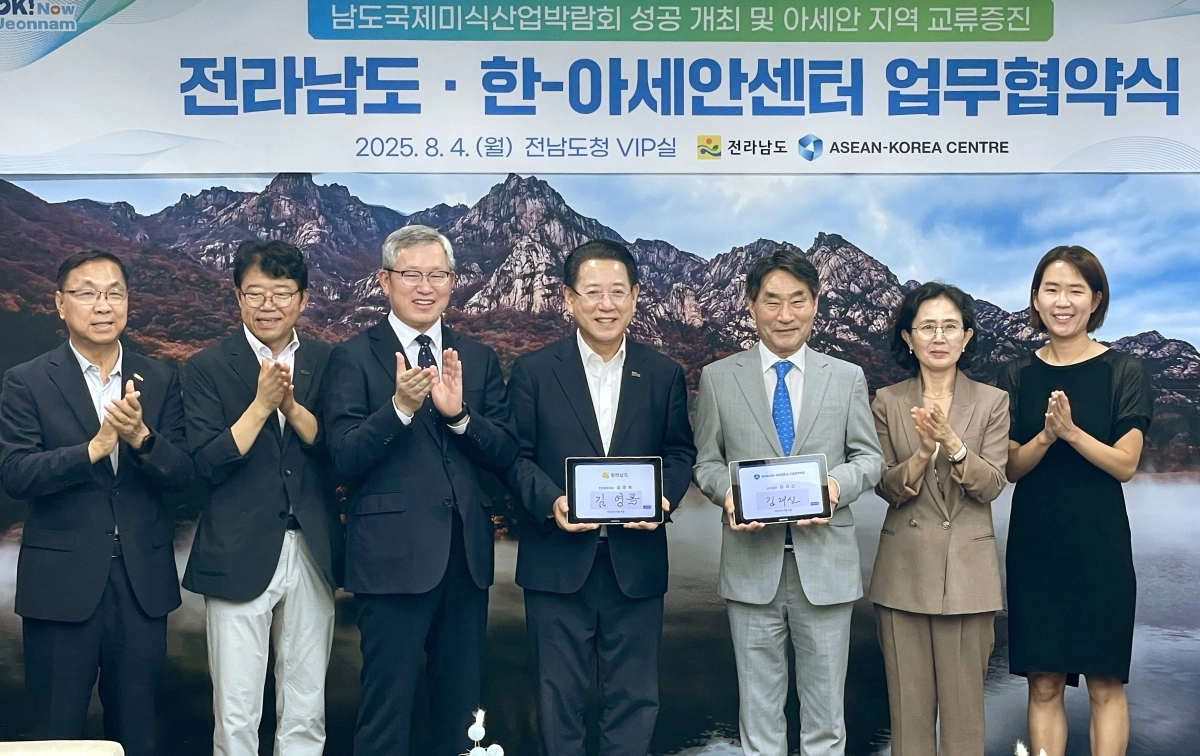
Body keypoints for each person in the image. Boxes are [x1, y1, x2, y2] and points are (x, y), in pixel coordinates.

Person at [321, 225, 518, 756]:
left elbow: (505, 452)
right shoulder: (353, 357)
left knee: (464, 712)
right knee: (387, 711)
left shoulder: (477, 357)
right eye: (411, 274)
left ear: (453, 281)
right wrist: (399, 409)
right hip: (391, 561)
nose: (425, 287)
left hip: (465, 559)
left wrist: (460, 417)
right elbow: (343, 457)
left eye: (437, 275)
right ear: (385, 281)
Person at [0, 250, 195, 756]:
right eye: (87, 293)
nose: (103, 305)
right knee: (53, 732)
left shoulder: (161, 378)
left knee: (138, 732)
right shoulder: (27, 380)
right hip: (60, 586)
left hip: (141, 584)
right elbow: (16, 474)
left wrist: (143, 440)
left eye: (114, 293)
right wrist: (93, 449)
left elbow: (185, 476)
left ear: (129, 302)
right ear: (60, 303)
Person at [507, 240, 697, 756]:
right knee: (557, 700)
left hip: (636, 563)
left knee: (635, 700)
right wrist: (551, 502)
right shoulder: (533, 371)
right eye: (592, 292)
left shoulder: (662, 374)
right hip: (556, 563)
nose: (606, 304)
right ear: (569, 299)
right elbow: (515, 458)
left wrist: (664, 498)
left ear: (635, 297)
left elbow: (680, 452)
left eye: (617, 292)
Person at [692, 249, 885, 756]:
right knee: (758, 719)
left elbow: (870, 458)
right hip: (750, 568)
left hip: (825, 568)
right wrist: (727, 493)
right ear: (751, 305)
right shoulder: (718, 378)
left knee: (826, 721)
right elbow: (706, 462)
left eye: (798, 300)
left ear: (815, 304)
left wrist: (835, 486)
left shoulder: (846, 376)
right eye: (772, 301)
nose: (785, 314)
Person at [181, 240, 343, 756]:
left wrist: (290, 407)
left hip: (313, 546)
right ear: (237, 296)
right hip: (237, 548)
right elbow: (205, 463)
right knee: (236, 710)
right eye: (255, 293)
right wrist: (261, 405)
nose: (268, 305)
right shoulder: (206, 366)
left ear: (303, 298)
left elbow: (339, 452)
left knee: (305, 706)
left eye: (282, 292)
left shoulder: (328, 361)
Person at [999, 246, 1152, 756]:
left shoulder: (1124, 371)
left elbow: (1125, 465)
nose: (1062, 302)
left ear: (1096, 300)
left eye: (1075, 291)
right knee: (1043, 681)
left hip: (1100, 546)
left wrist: (1070, 432)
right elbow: (1012, 468)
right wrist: (1045, 437)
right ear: (1036, 299)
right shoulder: (1017, 374)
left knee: (1105, 681)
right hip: (1036, 545)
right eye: (1051, 290)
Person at [868, 282, 1009, 756]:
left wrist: (953, 445)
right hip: (902, 575)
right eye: (927, 326)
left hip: (969, 580)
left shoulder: (992, 401)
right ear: (908, 338)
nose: (939, 336)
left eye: (950, 326)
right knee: (908, 722)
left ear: (967, 337)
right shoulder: (887, 402)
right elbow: (884, 486)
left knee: (964, 724)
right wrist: (921, 454)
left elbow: (991, 485)